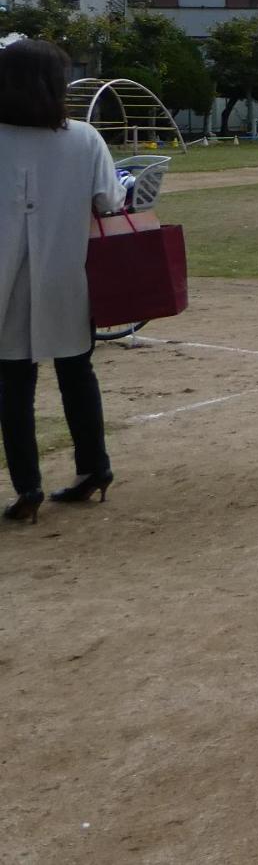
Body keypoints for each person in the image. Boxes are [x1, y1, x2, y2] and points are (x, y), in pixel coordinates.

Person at [0, 38, 123, 524]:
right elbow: (109, 202)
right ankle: (94, 468)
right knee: (76, 372)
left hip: (4, 278)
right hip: (66, 273)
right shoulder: (84, 138)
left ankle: (27, 487)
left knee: (12, 383)